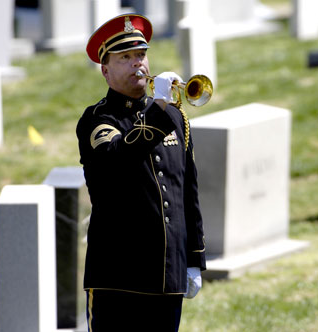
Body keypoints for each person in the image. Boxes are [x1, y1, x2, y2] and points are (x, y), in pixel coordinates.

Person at [76, 14, 206, 332]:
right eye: (125, 58)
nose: (138, 64)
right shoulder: (97, 119)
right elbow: (119, 158)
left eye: (141, 55)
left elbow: (187, 191)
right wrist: (157, 109)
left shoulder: (174, 117)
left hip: (168, 276)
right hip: (119, 277)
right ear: (106, 71)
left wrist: (194, 259)